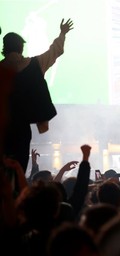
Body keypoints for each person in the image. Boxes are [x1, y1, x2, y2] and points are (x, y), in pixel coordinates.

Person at [0, 19, 74, 173]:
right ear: (21, 47)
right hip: (22, 128)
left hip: (3, 127)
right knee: (18, 168)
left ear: (4, 48)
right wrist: (62, 33)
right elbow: (55, 51)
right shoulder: (35, 64)